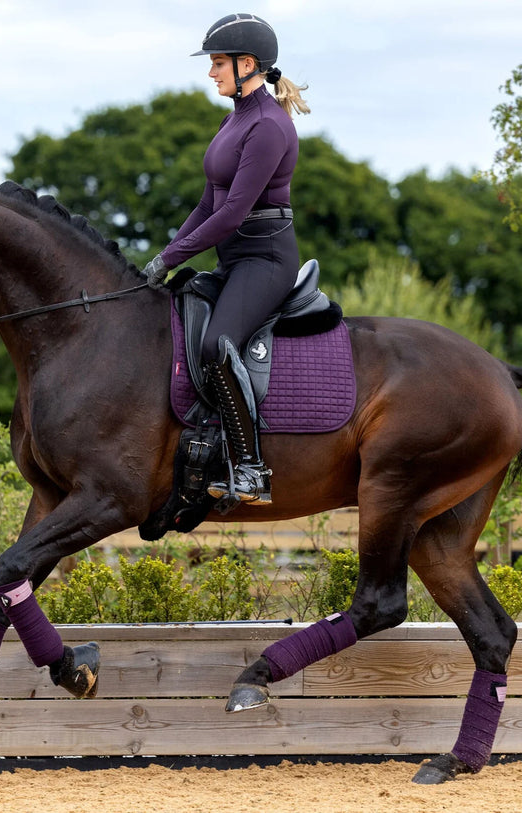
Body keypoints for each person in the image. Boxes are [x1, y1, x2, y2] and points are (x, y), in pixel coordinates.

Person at [142, 12, 311, 507]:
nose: (211, 73)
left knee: (217, 344)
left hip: (266, 259)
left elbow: (234, 213)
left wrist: (172, 256)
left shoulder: (268, 126)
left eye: (218, 63)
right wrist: (163, 258)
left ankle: (251, 468)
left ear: (248, 64)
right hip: (233, 260)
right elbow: (206, 204)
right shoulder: (234, 118)